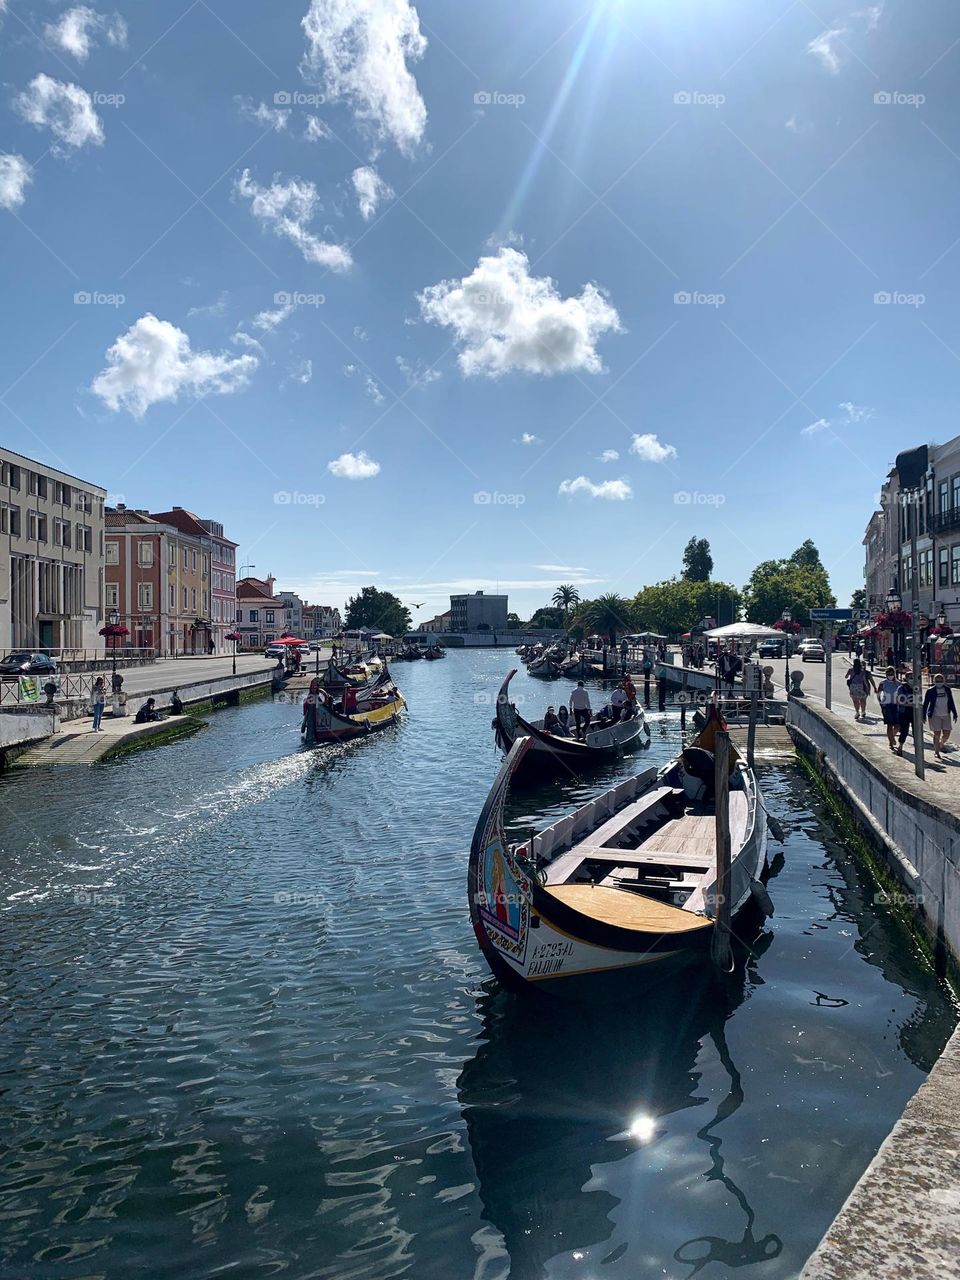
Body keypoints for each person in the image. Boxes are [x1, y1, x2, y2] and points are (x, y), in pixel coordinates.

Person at [923, 674, 957, 761]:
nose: (939, 683)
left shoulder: (947, 690)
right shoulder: (930, 691)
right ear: (934, 681)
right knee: (937, 734)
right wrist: (923, 716)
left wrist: (955, 713)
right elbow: (926, 704)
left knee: (947, 733)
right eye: (937, 681)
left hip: (946, 714)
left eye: (940, 681)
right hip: (935, 715)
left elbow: (951, 702)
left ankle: (941, 744)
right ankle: (936, 751)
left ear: (943, 681)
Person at [876, 667, 900, 751]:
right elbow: (878, 694)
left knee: (897, 725)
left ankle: (892, 736)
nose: (890, 676)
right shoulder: (883, 683)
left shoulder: (898, 684)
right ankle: (891, 741)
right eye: (888, 674)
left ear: (894, 674)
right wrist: (881, 703)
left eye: (891, 674)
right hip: (887, 705)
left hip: (896, 705)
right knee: (889, 724)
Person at [894, 677, 915, 755]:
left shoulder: (916, 687)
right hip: (904, 712)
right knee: (904, 731)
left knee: (916, 731)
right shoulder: (901, 688)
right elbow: (898, 701)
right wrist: (909, 704)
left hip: (914, 712)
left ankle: (917, 748)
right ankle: (900, 747)